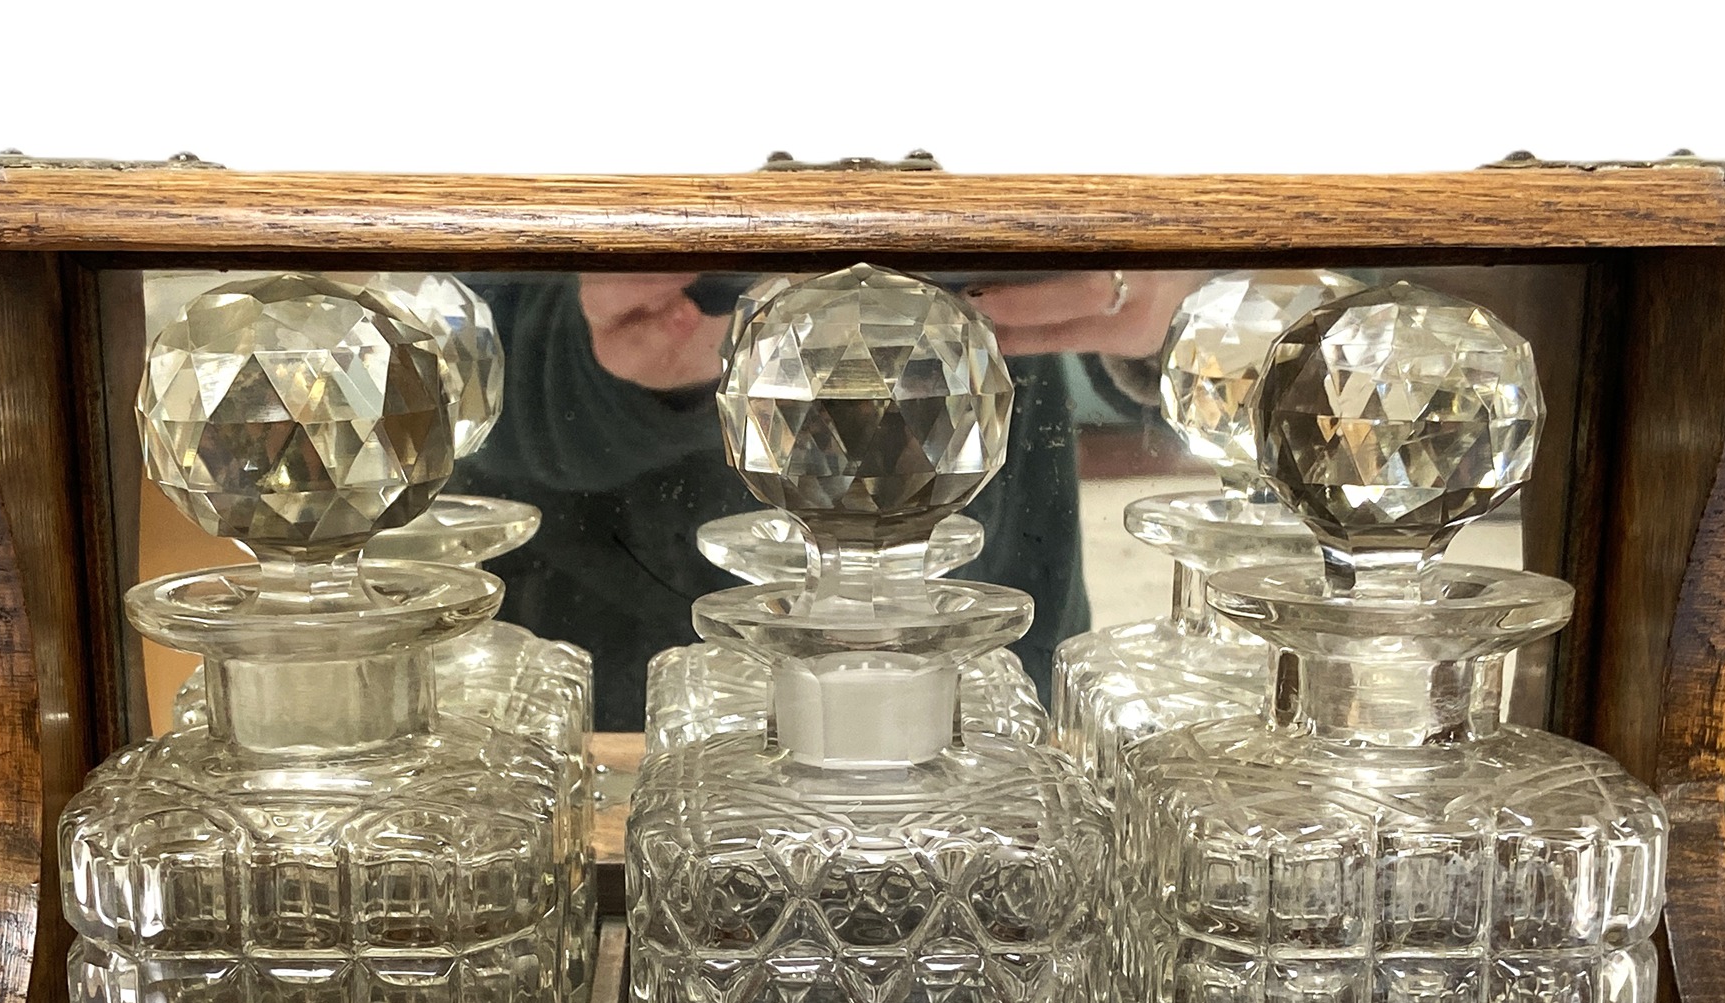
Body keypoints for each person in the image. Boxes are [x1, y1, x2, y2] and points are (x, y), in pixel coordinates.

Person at [458, 270, 1196, 729]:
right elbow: (438, 315)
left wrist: (1171, 283)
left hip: (987, 649)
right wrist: (585, 353)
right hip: (615, 698)